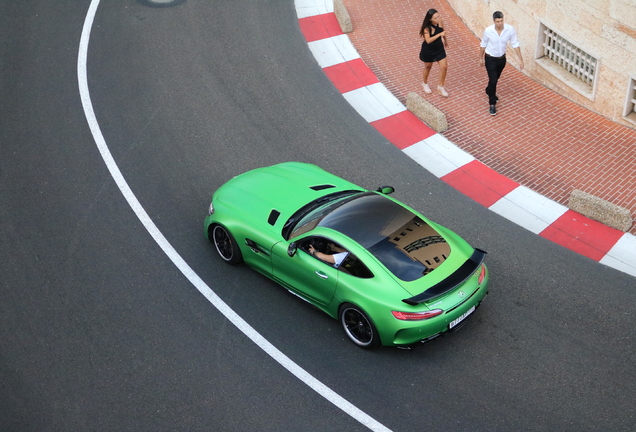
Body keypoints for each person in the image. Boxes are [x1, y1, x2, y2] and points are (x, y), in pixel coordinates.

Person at [479, 11, 524, 116]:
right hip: (490, 58)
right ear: (494, 21)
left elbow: (515, 43)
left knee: (494, 79)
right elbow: (483, 43)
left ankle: (489, 90)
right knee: (493, 80)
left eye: (502, 20)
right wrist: (480, 57)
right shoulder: (488, 31)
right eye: (498, 21)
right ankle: (492, 103)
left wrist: (520, 60)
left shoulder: (510, 30)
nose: (500, 23)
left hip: (502, 59)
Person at [419, 9, 449, 97]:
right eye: (436, 18)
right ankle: (424, 83)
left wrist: (445, 40)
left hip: (439, 48)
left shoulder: (440, 21)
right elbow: (428, 40)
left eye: (439, 16)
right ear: (430, 19)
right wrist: (439, 35)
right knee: (428, 67)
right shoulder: (426, 28)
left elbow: (442, 31)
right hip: (429, 50)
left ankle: (440, 86)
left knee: (444, 67)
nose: (439, 19)